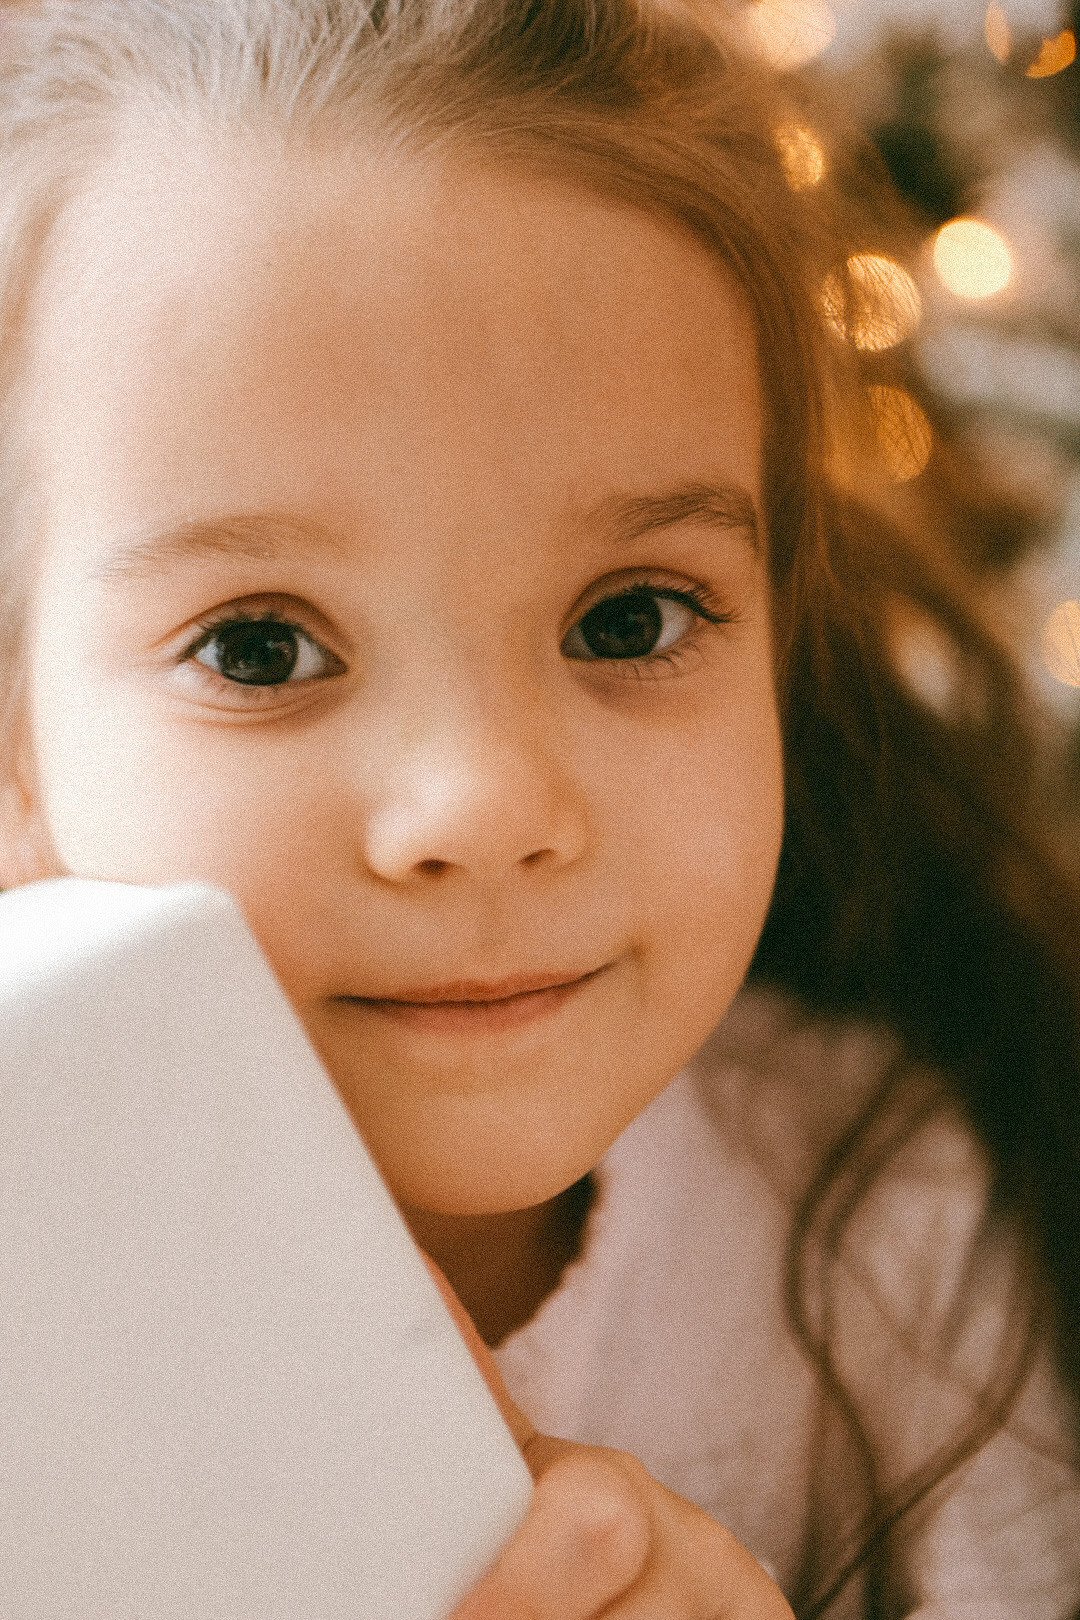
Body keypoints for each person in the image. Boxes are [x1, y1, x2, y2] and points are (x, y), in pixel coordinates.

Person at [0, 0, 1077, 1614]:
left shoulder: (887, 1214)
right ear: (14, 741)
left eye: (629, 620)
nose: (485, 804)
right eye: (259, 647)